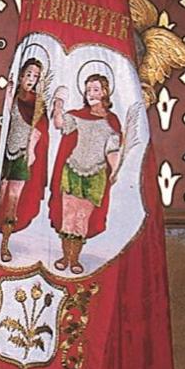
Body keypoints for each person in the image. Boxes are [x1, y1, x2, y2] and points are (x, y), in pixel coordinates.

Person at [49, 73, 121, 274]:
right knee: (68, 216)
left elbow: (112, 150)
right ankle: (65, 256)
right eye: (88, 90)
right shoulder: (78, 116)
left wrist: (115, 171)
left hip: (96, 173)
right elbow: (60, 123)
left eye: (95, 89)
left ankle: (75, 259)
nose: (91, 94)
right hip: (73, 169)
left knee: (81, 218)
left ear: (105, 92)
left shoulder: (112, 121)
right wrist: (58, 106)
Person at [0, 58, 48, 262]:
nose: (31, 80)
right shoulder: (14, 95)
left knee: (13, 201)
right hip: (6, 154)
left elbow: (41, 130)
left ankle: (5, 245)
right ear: (21, 75)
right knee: (0, 195)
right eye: (28, 75)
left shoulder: (38, 103)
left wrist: (33, 148)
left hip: (23, 155)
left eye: (35, 77)